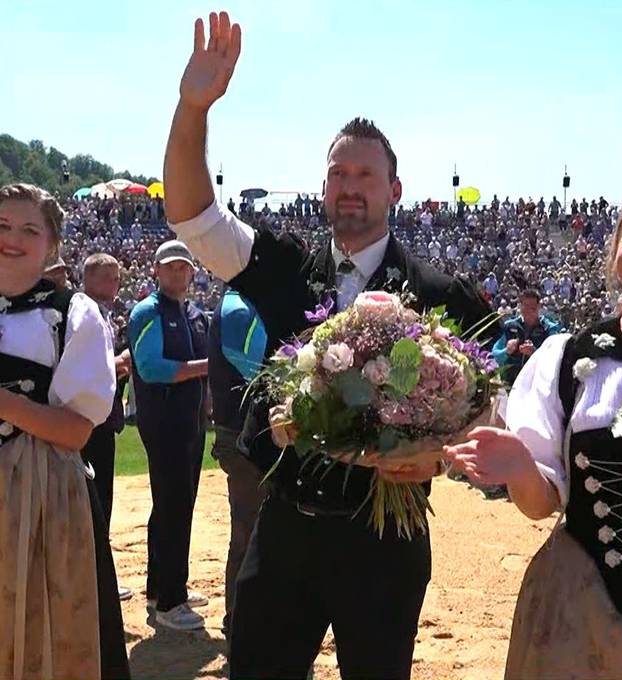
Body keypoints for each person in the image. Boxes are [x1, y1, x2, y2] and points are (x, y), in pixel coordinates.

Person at [163, 11, 494, 679]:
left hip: (388, 534)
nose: (349, 186)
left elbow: (497, 405)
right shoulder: (285, 263)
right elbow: (194, 218)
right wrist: (192, 107)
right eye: (338, 174)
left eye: (365, 176)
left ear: (394, 190)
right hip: (286, 523)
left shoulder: (439, 292)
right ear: (322, 188)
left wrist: (438, 456)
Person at [446, 177, 622, 679]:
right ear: (616, 247)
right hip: (575, 611)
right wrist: (519, 467)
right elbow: (541, 505)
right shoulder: (566, 359)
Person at [0, 183, 129, 679]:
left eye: (30, 229)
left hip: (42, 499)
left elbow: (76, 430)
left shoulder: (72, 315)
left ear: (50, 243)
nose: (13, 238)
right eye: (4, 226)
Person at [128, 239, 211, 631]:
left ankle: (162, 586)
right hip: (164, 423)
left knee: (175, 505)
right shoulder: (148, 310)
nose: (178, 273)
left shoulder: (194, 313)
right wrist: (207, 368)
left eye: (184, 267)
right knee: (173, 506)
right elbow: (151, 367)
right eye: (170, 267)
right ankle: (171, 602)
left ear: (192, 273)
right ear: (157, 271)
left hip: (191, 423)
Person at [207, 288, 268, 640]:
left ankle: (243, 620)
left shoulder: (241, 305)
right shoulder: (237, 309)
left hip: (244, 434)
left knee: (252, 531)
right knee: (249, 533)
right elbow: (257, 374)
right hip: (244, 436)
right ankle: (241, 622)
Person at [81, 252, 134, 601]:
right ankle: (95, 581)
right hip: (90, 424)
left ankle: (99, 577)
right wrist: (118, 362)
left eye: (117, 278)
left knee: (101, 502)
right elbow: (85, 368)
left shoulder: (101, 313)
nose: (116, 284)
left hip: (100, 419)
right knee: (96, 503)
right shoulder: (85, 313)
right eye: (110, 277)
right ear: (91, 279)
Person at [491, 289, 563, 385]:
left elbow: (554, 357)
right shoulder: (510, 326)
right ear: (520, 307)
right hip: (511, 383)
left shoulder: (549, 328)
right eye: (525, 307)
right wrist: (507, 351)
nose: (528, 312)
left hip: (538, 383)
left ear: (539, 307)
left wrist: (534, 352)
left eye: (532, 308)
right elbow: (495, 355)